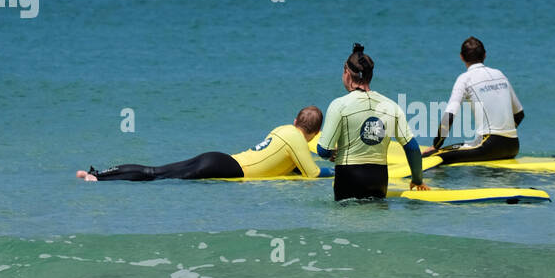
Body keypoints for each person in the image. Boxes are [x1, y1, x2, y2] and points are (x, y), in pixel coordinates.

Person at [76, 106, 329, 181]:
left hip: (220, 159)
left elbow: (279, 161)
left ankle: (97, 174)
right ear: (315, 132)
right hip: (227, 169)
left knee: (156, 171)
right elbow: (312, 173)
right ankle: (97, 178)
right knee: (157, 177)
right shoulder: (298, 139)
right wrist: (337, 170)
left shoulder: (283, 129)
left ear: (295, 119)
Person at [316, 43, 428, 201]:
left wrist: (334, 152)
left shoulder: (339, 105)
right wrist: (417, 180)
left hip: (348, 179)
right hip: (379, 180)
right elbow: (412, 148)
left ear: (347, 73)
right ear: (371, 75)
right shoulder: (391, 106)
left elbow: (323, 150)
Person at [426, 37, 524, 163]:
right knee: (465, 146)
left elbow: (449, 115)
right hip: (513, 146)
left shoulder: (465, 79)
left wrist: (435, 146)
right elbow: (519, 114)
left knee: (437, 156)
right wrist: (504, 134)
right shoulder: (500, 74)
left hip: (489, 147)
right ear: (485, 55)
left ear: (461, 57)